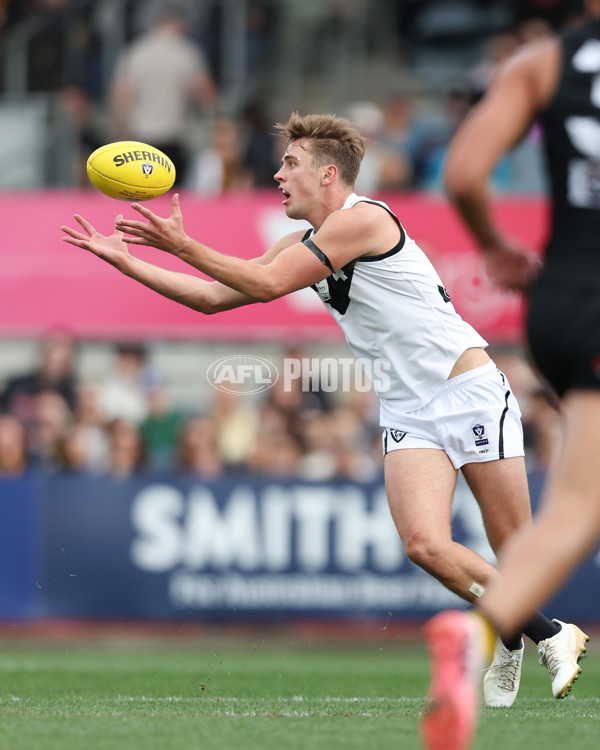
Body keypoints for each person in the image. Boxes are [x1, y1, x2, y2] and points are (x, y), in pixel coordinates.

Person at [61, 111, 580, 708]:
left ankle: (517, 631)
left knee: (514, 552)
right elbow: (211, 298)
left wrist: (182, 243)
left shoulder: (365, 220)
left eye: (290, 164)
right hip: (408, 406)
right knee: (422, 543)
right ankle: (543, 631)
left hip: (469, 391)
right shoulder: (298, 244)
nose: (277, 174)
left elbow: (263, 287)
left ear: (328, 173)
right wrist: (127, 261)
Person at [421, 3, 600, 749]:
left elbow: (463, 172)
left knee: (574, 507)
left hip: (562, 297)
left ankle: (477, 634)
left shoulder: (543, 62)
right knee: (575, 509)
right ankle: (483, 629)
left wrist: (494, 246)